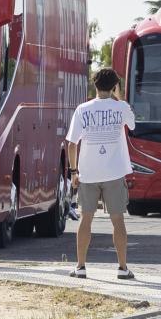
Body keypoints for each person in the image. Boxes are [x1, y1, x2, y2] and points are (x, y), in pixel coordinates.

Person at [66, 68, 135, 279]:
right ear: (115, 86)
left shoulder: (82, 109)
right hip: (114, 173)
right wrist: (119, 96)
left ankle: (80, 267)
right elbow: (132, 125)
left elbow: (72, 144)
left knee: (85, 219)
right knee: (118, 221)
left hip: (88, 173)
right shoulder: (121, 107)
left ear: (94, 85)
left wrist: (74, 172)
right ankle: (122, 268)